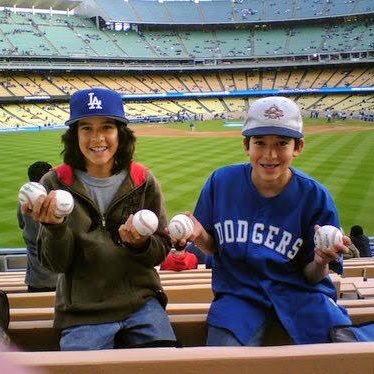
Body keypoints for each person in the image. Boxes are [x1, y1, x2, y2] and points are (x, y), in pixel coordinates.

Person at [181, 96, 352, 346]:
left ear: (298, 147)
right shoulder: (221, 182)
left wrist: (320, 261)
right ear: (246, 145)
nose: (270, 154)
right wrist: (199, 237)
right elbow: (213, 248)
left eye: (281, 143)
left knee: (344, 356)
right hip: (238, 297)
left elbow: (314, 276)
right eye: (260, 142)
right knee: (220, 360)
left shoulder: (315, 197)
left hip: (302, 295)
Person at [21, 88, 176, 351]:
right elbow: (55, 264)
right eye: (86, 128)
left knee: (167, 365)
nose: (97, 138)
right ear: (74, 135)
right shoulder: (54, 182)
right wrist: (55, 229)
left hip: (141, 303)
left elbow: (160, 250)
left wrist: (140, 244)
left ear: (120, 133)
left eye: (106, 127)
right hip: (82, 311)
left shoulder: (142, 180)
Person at [17, 161, 58, 292]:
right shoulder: (61, 202)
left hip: (36, 279)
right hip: (62, 280)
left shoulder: (24, 203)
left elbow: (21, 225)